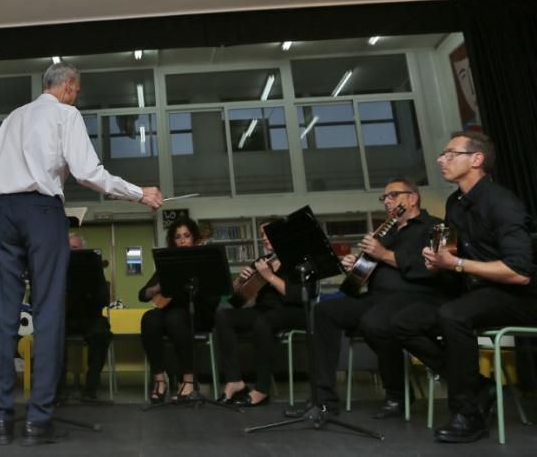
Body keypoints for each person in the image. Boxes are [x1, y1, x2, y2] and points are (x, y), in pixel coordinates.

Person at [0, 61, 163, 446]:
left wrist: (14, 182)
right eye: (77, 91)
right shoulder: (66, 114)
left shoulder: (13, 117)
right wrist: (139, 193)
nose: (76, 96)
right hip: (42, 212)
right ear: (69, 87)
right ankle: (37, 421)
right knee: (47, 313)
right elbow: (87, 172)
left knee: (3, 314)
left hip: (2, 212)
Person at [393, 131, 537, 443]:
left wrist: (455, 264)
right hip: (476, 291)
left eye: (450, 154)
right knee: (404, 322)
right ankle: (480, 387)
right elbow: (454, 255)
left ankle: (467, 414)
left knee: (453, 315)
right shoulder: (454, 203)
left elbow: (520, 272)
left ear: (476, 159)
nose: (440, 159)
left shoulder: (503, 203)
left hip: (518, 296)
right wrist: (439, 262)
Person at [287, 177, 444, 420]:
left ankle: (396, 394)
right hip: (377, 298)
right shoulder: (386, 232)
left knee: (375, 321)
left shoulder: (434, 227)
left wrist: (383, 254)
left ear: (412, 198)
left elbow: (430, 269)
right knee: (324, 312)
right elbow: (363, 278)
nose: (387, 202)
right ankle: (322, 400)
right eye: (384, 198)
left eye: (394, 195)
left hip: (416, 297)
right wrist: (357, 266)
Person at [213, 221, 306, 408]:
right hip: (264, 310)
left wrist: (270, 277)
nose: (263, 238)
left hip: (293, 310)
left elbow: (297, 296)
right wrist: (241, 281)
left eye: (267, 234)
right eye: (262, 234)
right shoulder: (262, 262)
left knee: (263, 322)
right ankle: (234, 381)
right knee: (224, 316)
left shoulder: (297, 260)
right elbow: (239, 301)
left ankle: (261, 390)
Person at [139, 216, 220, 404]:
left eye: (186, 236)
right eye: (177, 237)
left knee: (174, 317)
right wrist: (157, 288)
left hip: (198, 315)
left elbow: (214, 299)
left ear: (195, 238)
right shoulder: (168, 265)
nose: (182, 240)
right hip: (171, 315)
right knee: (149, 317)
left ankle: (189, 380)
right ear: (173, 241)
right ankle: (160, 379)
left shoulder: (204, 263)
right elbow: (142, 295)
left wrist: (198, 287)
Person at [57, 233, 113, 401]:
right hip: (64, 318)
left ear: (82, 250)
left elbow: (104, 299)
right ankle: (59, 389)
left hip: (90, 316)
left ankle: (91, 387)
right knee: (51, 333)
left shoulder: (93, 268)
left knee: (102, 333)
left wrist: (87, 292)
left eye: (74, 248)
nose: (71, 252)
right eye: (67, 249)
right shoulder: (55, 267)